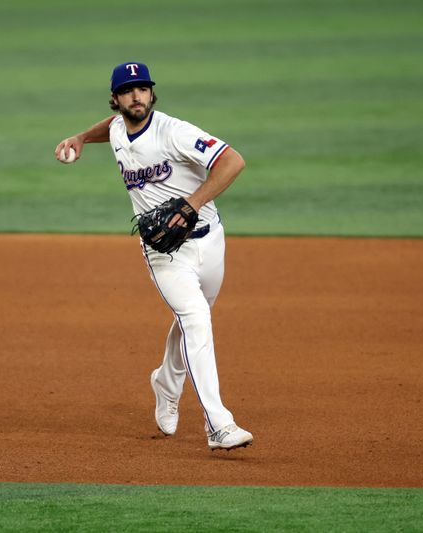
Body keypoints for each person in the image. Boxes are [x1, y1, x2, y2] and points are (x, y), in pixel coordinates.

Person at [55, 61, 253, 451]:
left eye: (142, 88)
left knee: (191, 320)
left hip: (210, 241)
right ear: (116, 99)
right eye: (128, 91)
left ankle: (165, 381)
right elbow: (108, 129)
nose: (136, 96)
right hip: (163, 253)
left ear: (152, 93)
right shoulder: (116, 129)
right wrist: (79, 137)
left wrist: (192, 204)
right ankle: (219, 425)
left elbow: (233, 161)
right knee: (196, 320)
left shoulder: (174, 132)